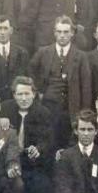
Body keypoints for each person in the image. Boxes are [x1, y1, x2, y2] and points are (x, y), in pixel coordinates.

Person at [29, 15, 92, 150]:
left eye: (65, 32)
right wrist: (38, 92)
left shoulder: (81, 56)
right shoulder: (43, 52)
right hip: (47, 108)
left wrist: (84, 114)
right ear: (54, 33)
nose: (62, 35)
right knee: (47, 144)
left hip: (70, 110)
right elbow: (30, 73)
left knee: (67, 146)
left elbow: (86, 88)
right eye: (59, 32)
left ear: (72, 33)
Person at [0, 76, 54, 193]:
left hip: (32, 164)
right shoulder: (4, 109)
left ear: (34, 94)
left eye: (27, 94)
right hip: (8, 162)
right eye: (20, 94)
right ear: (14, 95)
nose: (23, 98)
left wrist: (38, 149)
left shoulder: (43, 113)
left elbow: (48, 140)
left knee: (41, 188)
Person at [53, 110, 98, 193]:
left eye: (90, 129)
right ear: (75, 131)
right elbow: (62, 187)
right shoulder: (65, 156)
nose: (86, 134)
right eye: (82, 129)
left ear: (96, 131)